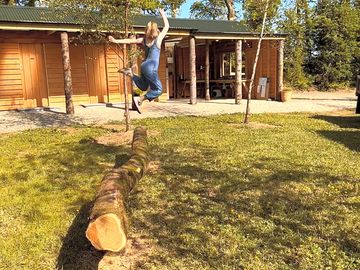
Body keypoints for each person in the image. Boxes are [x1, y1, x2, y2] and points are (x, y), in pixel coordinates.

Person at [108, 9, 169, 113]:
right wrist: (162, 13)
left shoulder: (143, 40)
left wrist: (115, 40)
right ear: (156, 31)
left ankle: (131, 74)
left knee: (144, 86)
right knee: (158, 90)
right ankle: (139, 99)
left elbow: (129, 41)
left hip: (144, 65)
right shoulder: (158, 40)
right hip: (151, 68)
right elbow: (167, 26)